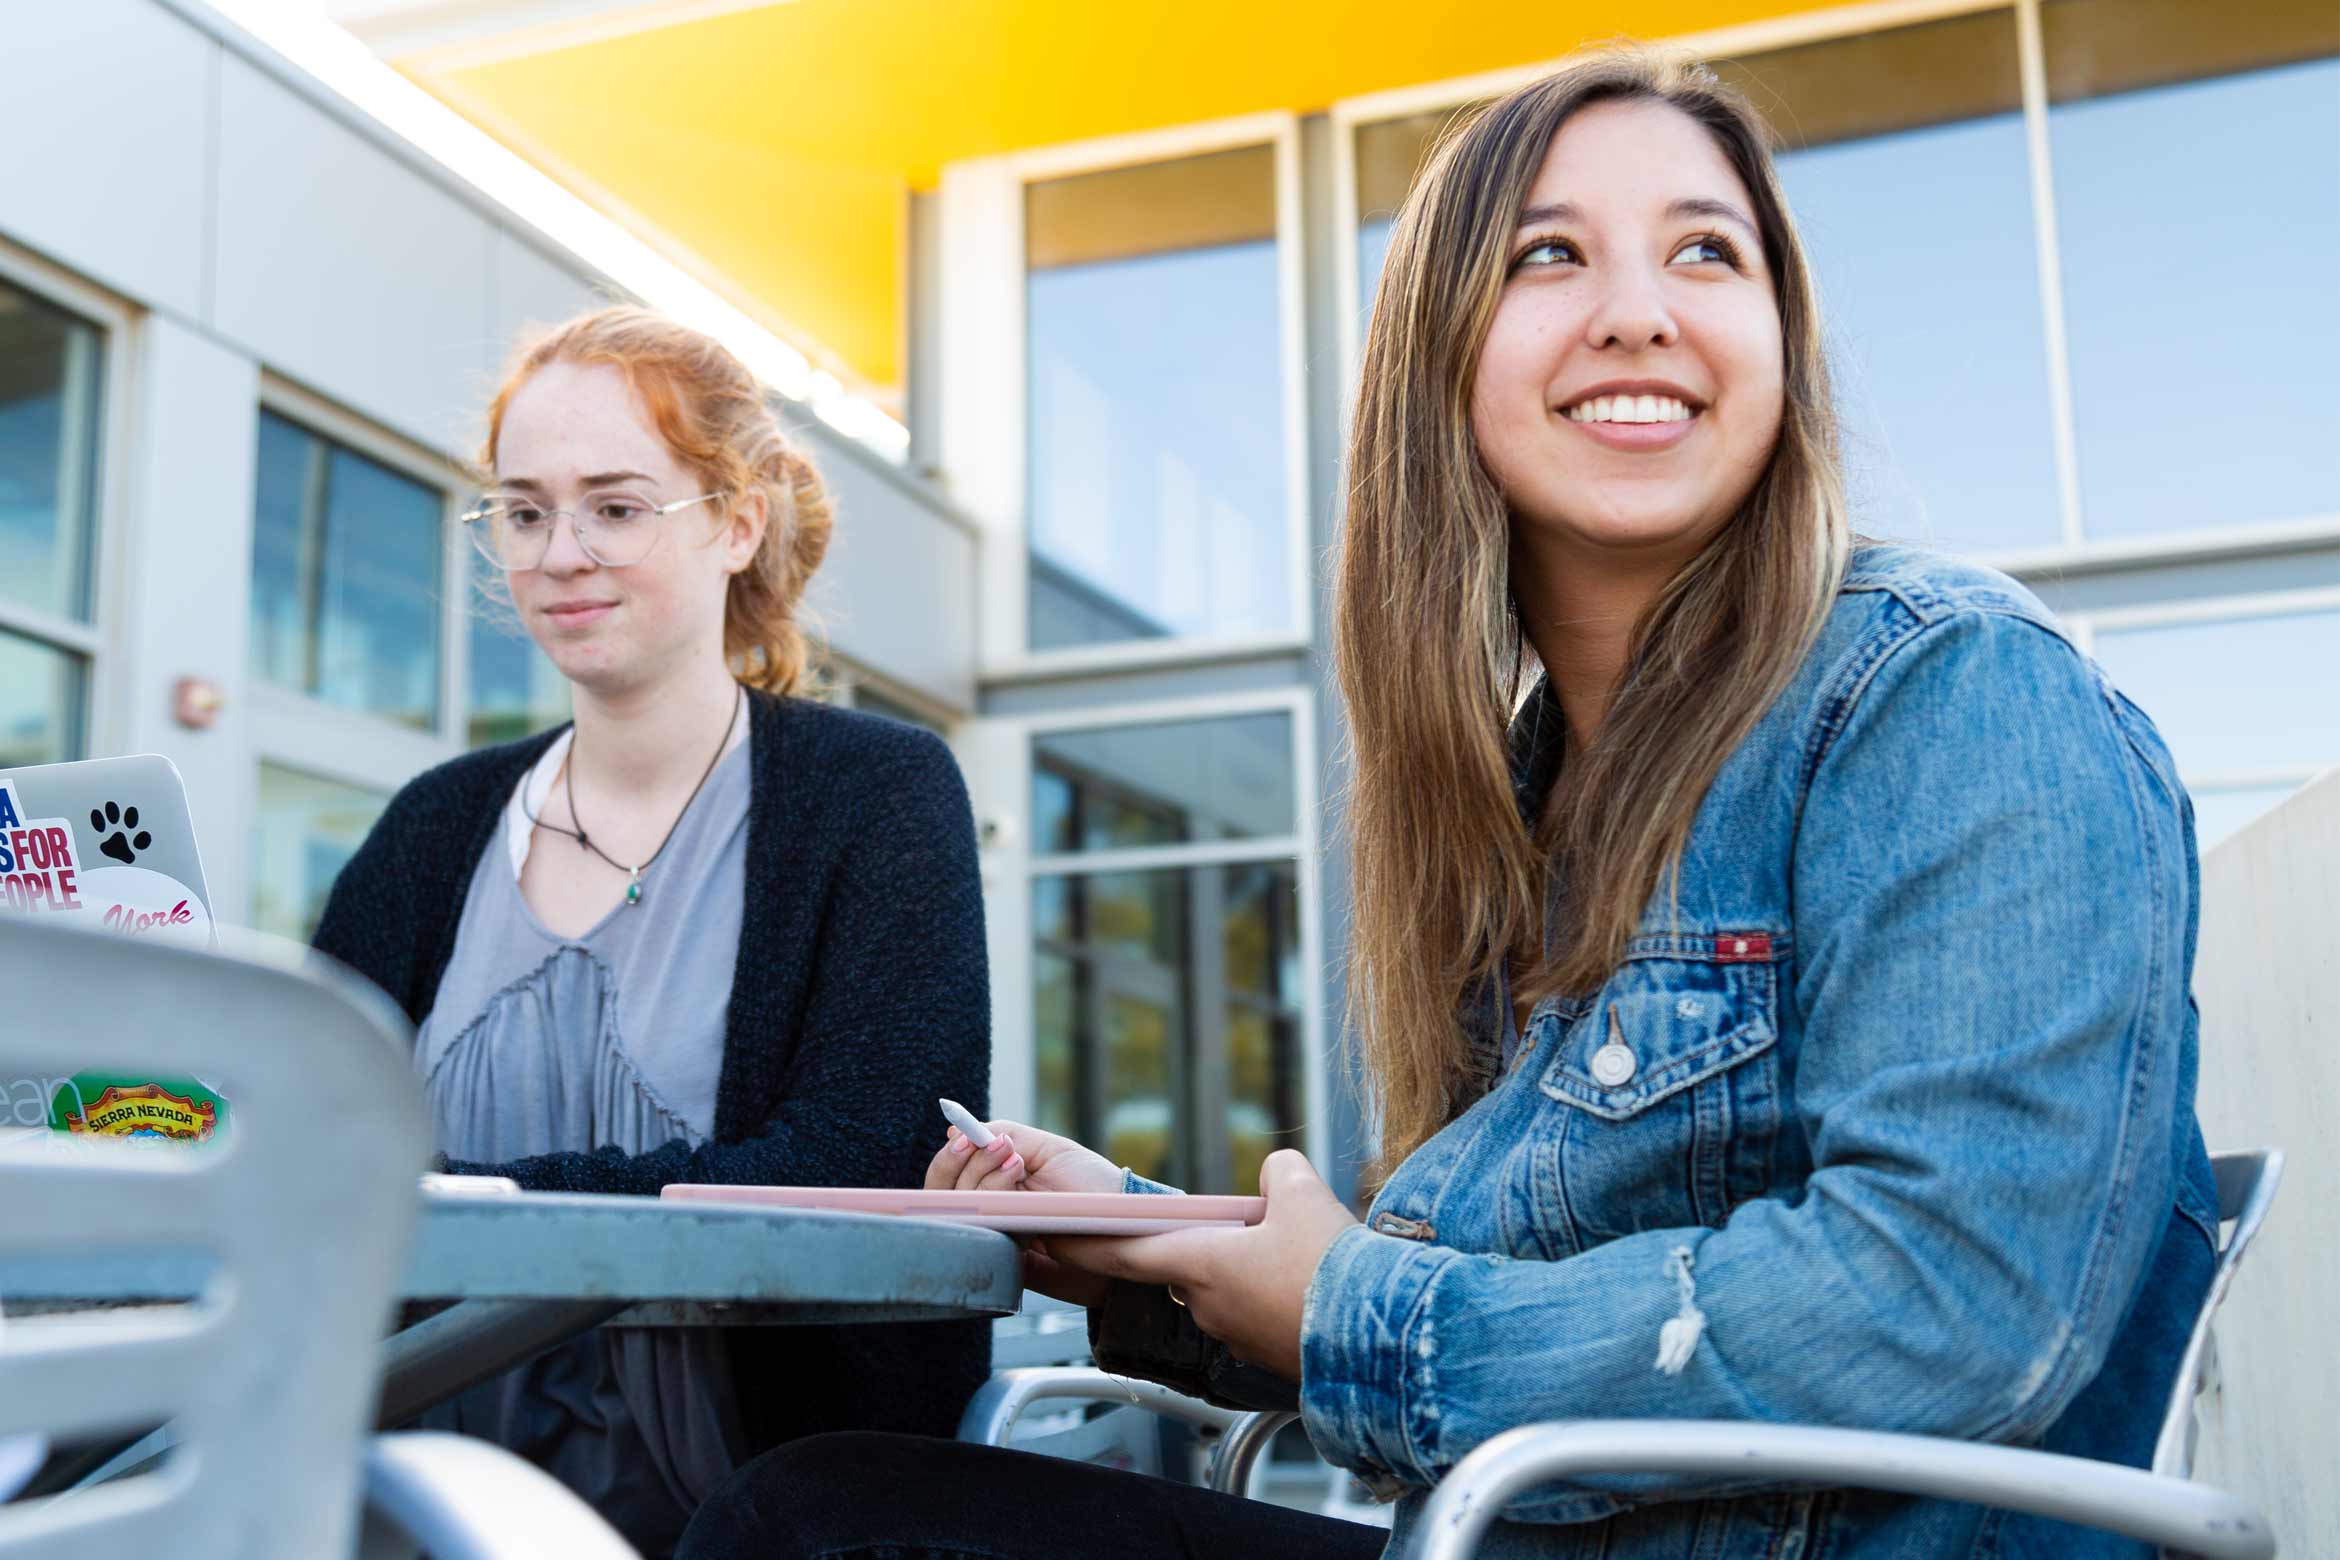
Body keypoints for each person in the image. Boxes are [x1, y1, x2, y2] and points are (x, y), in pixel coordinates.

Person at [673, 46, 2218, 1560]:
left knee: (825, 1524)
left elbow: (1950, 1306)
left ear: (1779, 342)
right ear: (1440, 353)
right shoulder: (1529, 798)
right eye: (1551, 256)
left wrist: (1347, 1306)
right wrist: (1159, 1241)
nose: (1638, 313)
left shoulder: (1952, 695)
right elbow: (1501, 1300)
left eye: (1708, 253)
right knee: (834, 1501)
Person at [311, 307, 992, 1557]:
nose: (560, 552)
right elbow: (305, 1139)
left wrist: (465, 1204)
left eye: (615, 507)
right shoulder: (436, 826)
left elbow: (865, 1160)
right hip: (401, 1498)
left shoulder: (874, 795)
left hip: (750, 1513)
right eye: (523, 512)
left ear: (736, 524)